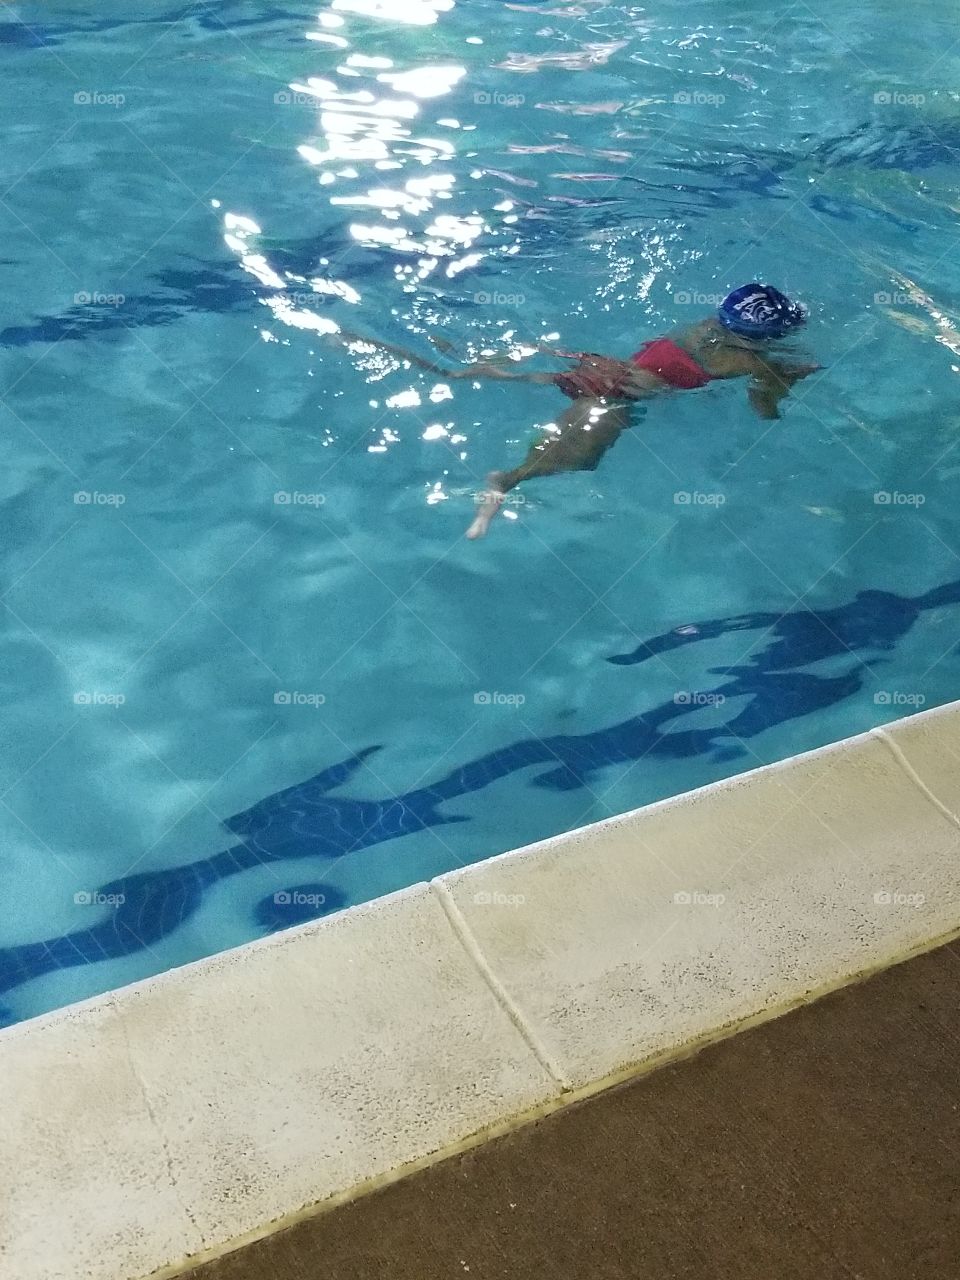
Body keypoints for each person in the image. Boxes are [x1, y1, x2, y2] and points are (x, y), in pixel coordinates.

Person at [455, 283, 818, 538]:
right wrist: (783, 387)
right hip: (613, 400)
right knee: (579, 458)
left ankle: (482, 372)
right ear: (763, 338)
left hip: (605, 370)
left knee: (543, 384)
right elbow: (763, 407)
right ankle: (505, 482)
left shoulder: (702, 329)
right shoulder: (750, 361)